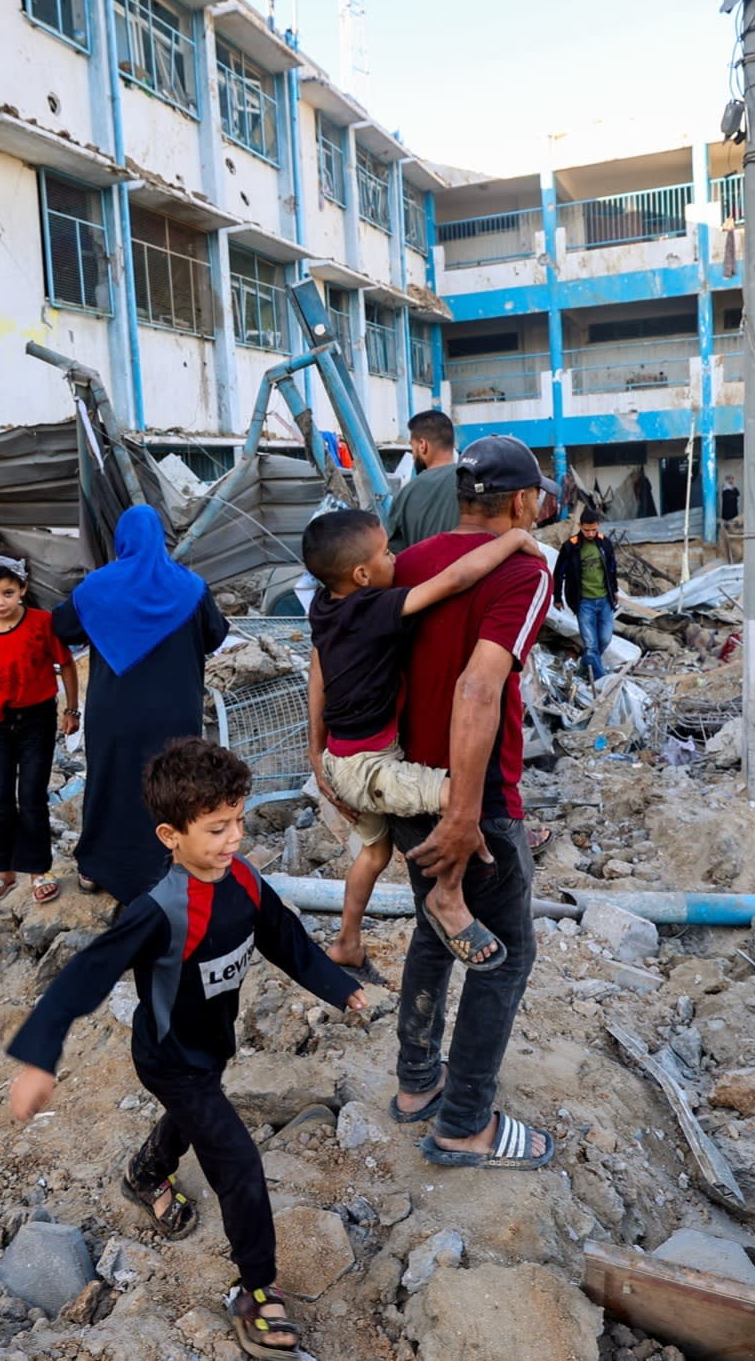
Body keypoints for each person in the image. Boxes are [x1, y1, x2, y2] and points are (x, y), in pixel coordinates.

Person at [8, 739, 364, 1359]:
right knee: (238, 1163)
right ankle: (254, 1290)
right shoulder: (158, 911)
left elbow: (287, 939)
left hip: (212, 1045)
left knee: (200, 1113)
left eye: (240, 821)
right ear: (170, 835)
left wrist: (343, 990)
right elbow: (85, 974)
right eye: (217, 828)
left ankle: (146, 1173)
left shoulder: (245, 881)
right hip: (170, 1058)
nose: (234, 839)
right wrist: (40, 1057)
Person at [384, 434, 558, 1172]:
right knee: (506, 953)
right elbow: (479, 686)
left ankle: (418, 1081)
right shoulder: (521, 569)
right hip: (473, 800)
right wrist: (464, 814)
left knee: (437, 927)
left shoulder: (409, 564)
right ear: (519, 503)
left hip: (403, 785)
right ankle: (463, 1124)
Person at [302, 509, 541, 978]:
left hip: (341, 759)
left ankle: (347, 942)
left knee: (374, 854)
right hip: (372, 770)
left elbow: (319, 675)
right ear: (362, 575)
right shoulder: (374, 608)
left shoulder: (324, 607)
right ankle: (446, 894)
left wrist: (317, 753)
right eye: (387, 552)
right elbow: (455, 579)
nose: (396, 557)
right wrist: (514, 538)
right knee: (465, 798)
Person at [54, 505, 229, 903]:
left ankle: (95, 869)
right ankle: (168, 865)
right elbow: (216, 635)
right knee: (173, 786)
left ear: (122, 541)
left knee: (108, 782)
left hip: (114, 711)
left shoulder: (97, 586)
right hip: (175, 710)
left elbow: (62, 625)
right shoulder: (191, 587)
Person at [0, 553, 80, 905]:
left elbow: (67, 665)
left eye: (8, 593)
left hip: (38, 720)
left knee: (31, 795)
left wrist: (72, 709)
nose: (0, 601)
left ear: (23, 590)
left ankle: (39, 869)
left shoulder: (41, 623)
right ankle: (4, 870)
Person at [553, 508, 619, 682]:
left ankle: (583, 668)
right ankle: (600, 681)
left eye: (593, 530)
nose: (590, 534)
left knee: (604, 639)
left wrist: (615, 591)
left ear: (599, 526)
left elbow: (612, 570)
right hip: (584, 602)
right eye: (586, 530)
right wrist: (557, 598)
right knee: (590, 645)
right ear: (580, 526)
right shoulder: (570, 547)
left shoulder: (605, 544)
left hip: (605, 600)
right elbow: (558, 573)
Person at [385, 409, 461, 553]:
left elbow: (395, 553)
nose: (413, 455)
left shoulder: (406, 494)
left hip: (427, 574)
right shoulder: (473, 480)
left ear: (422, 445)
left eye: (412, 448)